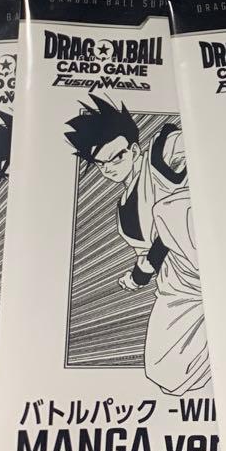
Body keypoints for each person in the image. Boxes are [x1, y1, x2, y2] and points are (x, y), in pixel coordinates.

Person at [64, 96, 210, 396]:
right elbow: (147, 257)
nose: (109, 168)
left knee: (168, 209)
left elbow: (201, 140)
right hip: (179, 287)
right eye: (101, 163)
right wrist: (137, 276)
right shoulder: (125, 213)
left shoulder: (160, 153)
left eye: (116, 157)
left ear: (133, 149)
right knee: (163, 372)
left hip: (205, 257)